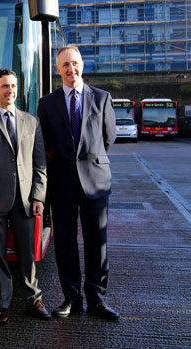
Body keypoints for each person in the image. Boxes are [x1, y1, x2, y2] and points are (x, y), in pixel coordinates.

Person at [37, 45, 119, 320]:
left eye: (74, 63)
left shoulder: (102, 98)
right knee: (65, 243)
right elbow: (44, 144)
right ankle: (71, 298)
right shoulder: (47, 103)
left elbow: (108, 137)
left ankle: (97, 299)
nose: (71, 69)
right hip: (62, 183)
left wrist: (90, 161)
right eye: (65, 65)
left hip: (96, 181)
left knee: (98, 243)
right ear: (57, 69)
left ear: (82, 65)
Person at [0, 69, 50, 324]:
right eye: (5, 86)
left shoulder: (31, 121)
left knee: (28, 253)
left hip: (26, 200)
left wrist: (38, 196)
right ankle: (2, 304)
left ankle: (33, 299)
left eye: (14, 86)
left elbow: (40, 164)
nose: (10, 91)